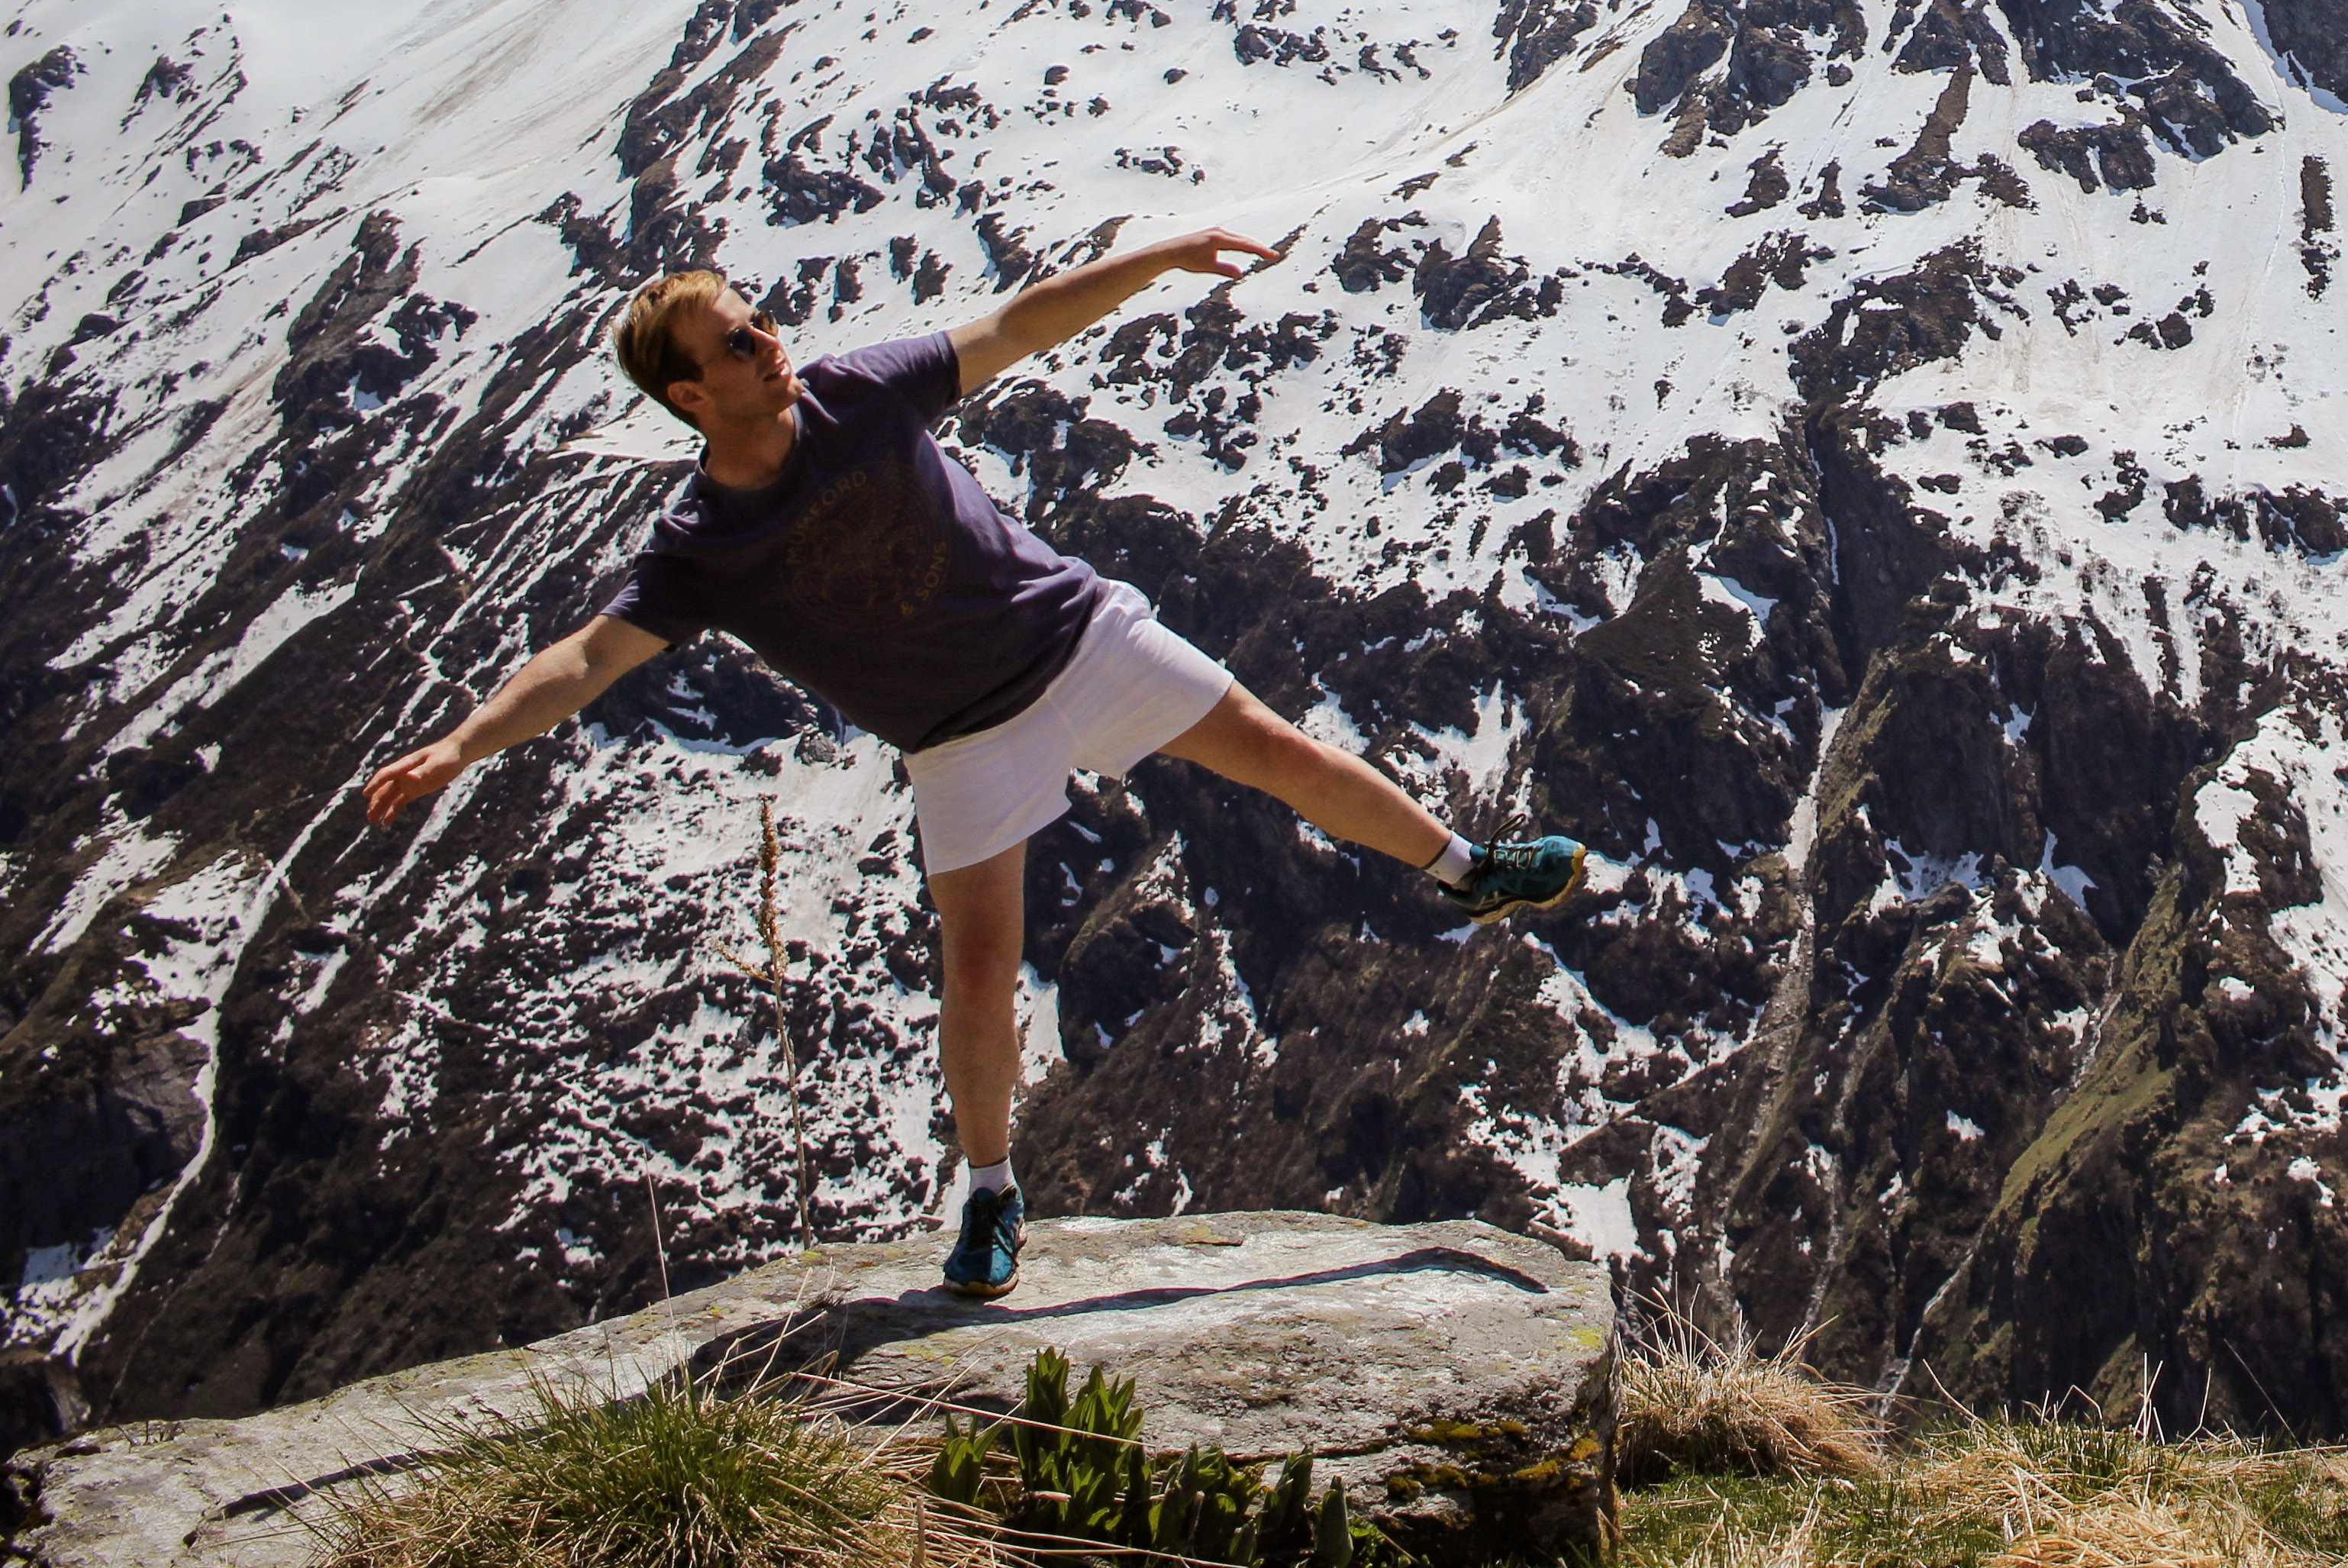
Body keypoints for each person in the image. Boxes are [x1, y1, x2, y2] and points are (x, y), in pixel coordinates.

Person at [362, 226, 1585, 1299]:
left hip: (1076, 636)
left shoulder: (856, 392)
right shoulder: (703, 549)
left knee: (1274, 752)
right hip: (958, 738)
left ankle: (1470, 870)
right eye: (736, 342)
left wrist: (1157, 259)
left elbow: (1010, 329)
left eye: (759, 320)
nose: (768, 341)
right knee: (982, 968)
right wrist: (461, 745)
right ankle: (993, 1195)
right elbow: (587, 658)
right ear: (689, 393)